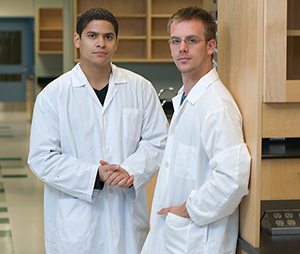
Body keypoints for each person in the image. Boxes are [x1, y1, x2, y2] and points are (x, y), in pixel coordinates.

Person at [27, 7, 169, 254]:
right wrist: (95, 175)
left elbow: (158, 141)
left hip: (126, 216)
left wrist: (131, 170)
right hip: (76, 221)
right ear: (77, 40)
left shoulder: (140, 88)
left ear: (116, 43)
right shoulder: (53, 95)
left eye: (108, 36)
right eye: (92, 36)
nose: (100, 43)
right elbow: (42, 158)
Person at [141, 6, 251, 254]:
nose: (182, 48)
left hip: (197, 241)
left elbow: (233, 179)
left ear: (211, 46)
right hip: (176, 237)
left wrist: (187, 210)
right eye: (176, 41)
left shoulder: (216, 106)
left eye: (192, 40)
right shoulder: (186, 99)